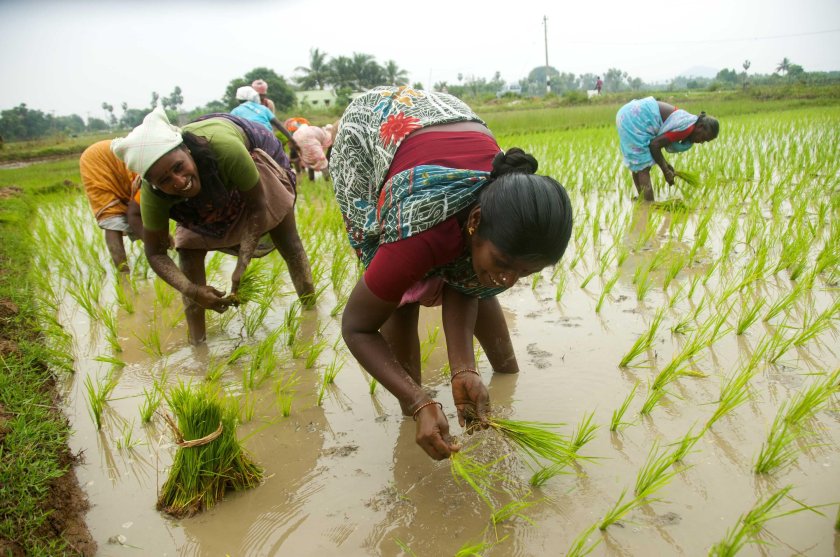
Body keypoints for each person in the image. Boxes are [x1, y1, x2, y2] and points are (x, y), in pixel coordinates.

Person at [330, 86, 573, 461]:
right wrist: (418, 401)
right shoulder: (420, 230)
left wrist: (464, 368)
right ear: (474, 221)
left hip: (445, 119)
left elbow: (469, 281)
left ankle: (491, 374)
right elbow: (356, 327)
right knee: (402, 292)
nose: (509, 281)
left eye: (525, 273)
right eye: (506, 264)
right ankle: (413, 409)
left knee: (477, 272)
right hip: (370, 132)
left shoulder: (502, 215)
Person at [112, 106, 315, 345]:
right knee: (187, 251)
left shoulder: (225, 150)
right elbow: (155, 253)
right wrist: (193, 291)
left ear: (187, 150)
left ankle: (311, 313)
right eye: (165, 180)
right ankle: (198, 344)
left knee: (287, 236)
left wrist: (243, 260)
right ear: (153, 184)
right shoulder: (152, 194)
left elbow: (258, 206)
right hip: (203, 190)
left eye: (179, 167)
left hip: (249, 152)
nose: (179, 181)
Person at [616, 97, 719, 201]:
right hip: (635, 117)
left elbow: (657, 144)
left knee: (638, 163)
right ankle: (649, 206)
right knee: (643, 167)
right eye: (703, 138)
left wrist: (666, 165)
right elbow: (654, 145)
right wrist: (665, 170)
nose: (701, 142)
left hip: (628, 113)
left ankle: (642, 202)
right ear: (700, 126)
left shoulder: (688, 121)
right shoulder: (687, 128)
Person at [79, 140, 143, 273]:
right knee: (111, 217)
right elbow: (137, 213)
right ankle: (123, 271)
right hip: (97, 161)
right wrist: (158, 243)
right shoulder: (149, 180)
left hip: (117, 156)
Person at [231, 86, 298, 150]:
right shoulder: (263, 108)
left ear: (239, 100)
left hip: (249, 141)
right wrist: (292, 140)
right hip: (268, 138)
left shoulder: (235, 111)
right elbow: (278, 124)